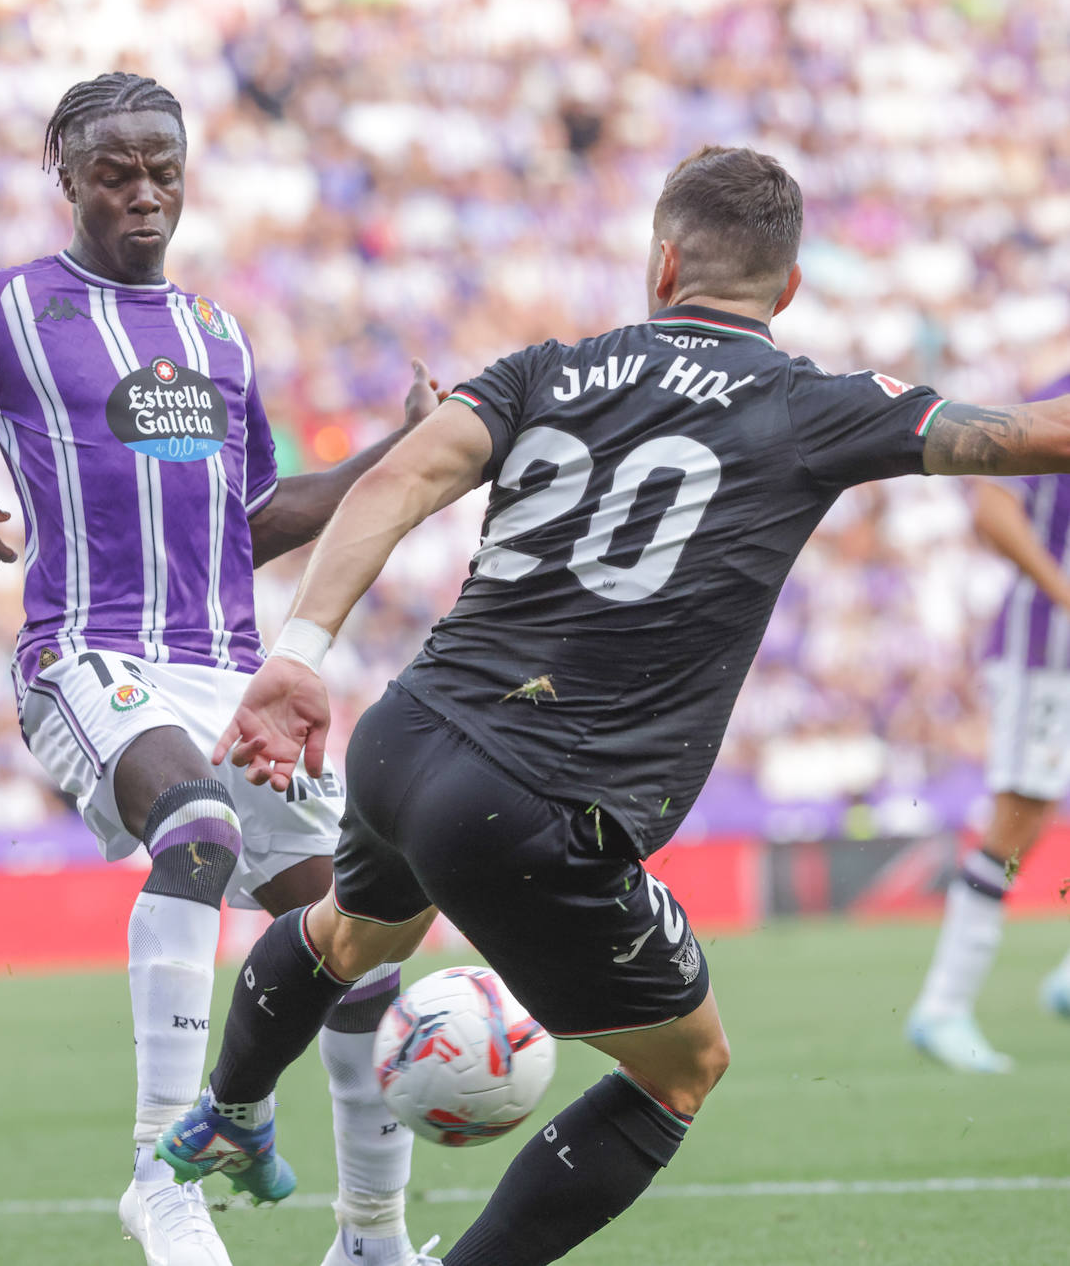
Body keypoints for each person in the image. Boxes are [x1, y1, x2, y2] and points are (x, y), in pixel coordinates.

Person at [153, 144, 1070, 1266]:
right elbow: (1041, 434)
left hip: (404, 740)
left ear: (662, 262)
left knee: (349, 933)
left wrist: (298, 653)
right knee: (682, 1069)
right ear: (785, 290)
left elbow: (393, 480)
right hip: (535, 803)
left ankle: (228, 1108)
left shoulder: (547, 366)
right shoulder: (812, 404)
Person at [0, 71, 439, 1266]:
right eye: (116, 173)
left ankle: (370, 1238)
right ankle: (159, 1173)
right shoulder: (1, 310)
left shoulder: (218, 334)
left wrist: (396, 451)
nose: (145, 195)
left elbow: (258, 518)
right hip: (87, 653)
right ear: (64, 178)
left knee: (359, 938)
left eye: (163, 170)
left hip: (227, 671)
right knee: (199, 830)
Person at [907, 432, 1070, 1073]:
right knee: (1018, 824)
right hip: (1047, 657)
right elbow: (993, 507)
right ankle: (943, 1005)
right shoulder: (1059, 399)